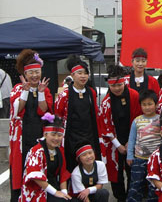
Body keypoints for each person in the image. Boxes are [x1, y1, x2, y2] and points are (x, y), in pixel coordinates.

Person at [9, 49, 53, 202]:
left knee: (38, 171)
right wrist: (24, 92)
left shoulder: (45, 90)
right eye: (31, 73)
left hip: (39, 138)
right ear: (25, 75)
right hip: (22, 139)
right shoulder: (17, 89)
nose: (34, 75)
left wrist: (40, 92)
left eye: (37, 72)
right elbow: (17, 111)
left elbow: (44, 111)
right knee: (20, 170)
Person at [99, 64, 142, 202]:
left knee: (132, 170)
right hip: (114, 143)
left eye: (119, 85)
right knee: (115, 173)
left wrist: (131, 142)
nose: (117, 88)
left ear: (124, 82)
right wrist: (118, 145)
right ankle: (120, 198)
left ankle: (132, 196)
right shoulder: (106, 102)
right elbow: (104, 126)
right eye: (113, 86)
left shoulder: (134, 95)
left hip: (132, 139)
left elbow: (138, 118)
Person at [55, 55, 102, 172]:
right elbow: (58, 115)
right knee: (72, 166)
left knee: (90, 165)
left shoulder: (91, 92)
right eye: (79, 73)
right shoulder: (64, 94)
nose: (83, 76)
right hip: (71, 135)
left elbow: (95, 113)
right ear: (72, 75)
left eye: (85, 73)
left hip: (89, 134)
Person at [19, 113, 71, 202]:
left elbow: (63, 174)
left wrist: (64, 192)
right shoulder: (36, 151)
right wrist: (55, 192)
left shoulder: (60, 150)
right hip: (37, 190)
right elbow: (35, 177)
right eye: (53, 134)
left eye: (59, 135)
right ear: (45, 134)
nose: (56, 138)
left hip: (53, 187)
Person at [126, 89, 161, 202]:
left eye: (150, 104)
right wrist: (130, 155)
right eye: (144, 105)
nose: (147, 107)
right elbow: (132, 139)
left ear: (156, 105)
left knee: (154, 187)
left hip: (156, 160)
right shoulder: (137, 121)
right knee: (135, 185)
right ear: (140, 106)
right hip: (139, 159)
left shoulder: (160, 119)